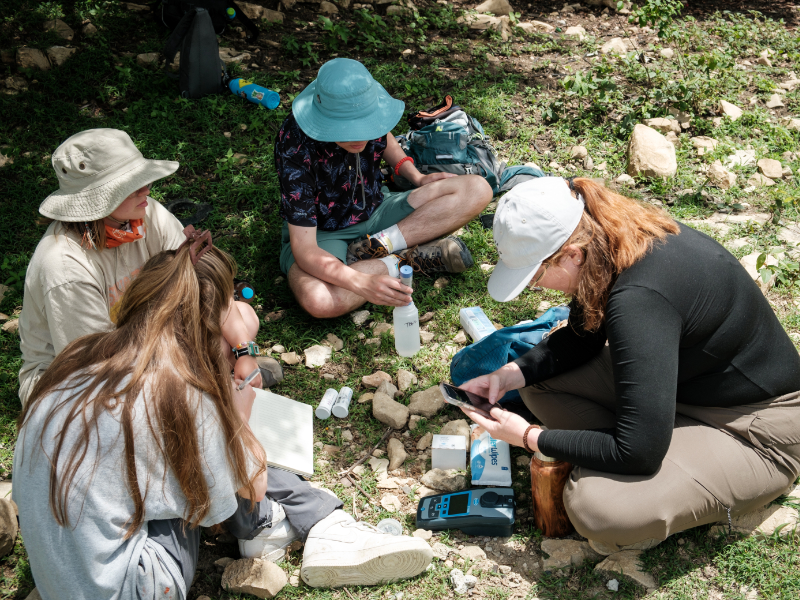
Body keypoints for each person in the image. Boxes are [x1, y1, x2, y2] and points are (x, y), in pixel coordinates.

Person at [13, 244, 433, 600]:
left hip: (63, 574)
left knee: (197, 450)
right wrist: (238, 418)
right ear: (208, 329)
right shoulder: (179, 396)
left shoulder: (80, 357)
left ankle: (314, 521)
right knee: (229, 453)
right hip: (133, 584)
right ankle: (306, 526)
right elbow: (244, 486)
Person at [458, 176, 800, 554]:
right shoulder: (620, 241)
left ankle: (667, 469)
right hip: (687, 387)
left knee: (598, 510)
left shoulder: (640, 300)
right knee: (538, 382)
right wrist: (509, 374)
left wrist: (527, 437)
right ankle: (658, 450)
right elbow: (581, 337)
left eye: (537, 277)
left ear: (572, 253)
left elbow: (638, 451)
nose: (540, 288)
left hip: (758, 430)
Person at [18, 128, 278, 407]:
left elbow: (204, 283)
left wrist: (243, 351)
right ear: (96, 201)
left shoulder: (146, 214)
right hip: (78, 381)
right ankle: (210, 386)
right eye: (130, 186)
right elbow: (98, 367)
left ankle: (217, 375)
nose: (146, 189)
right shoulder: (65, 266)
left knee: (243, 318)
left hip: (145, 339)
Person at [275, 58, 493, 318]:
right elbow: (305, 249)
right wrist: (360, 283)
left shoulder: (369, 118)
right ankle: (402, 260)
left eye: (367, 126)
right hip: (322, 233)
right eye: (347, 130)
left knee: (477, 189)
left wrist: (415, 175)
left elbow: (384, 136)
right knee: (320, 300)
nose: (360, 138)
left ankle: (377, 248)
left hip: (377, 209)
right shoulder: (294, 143)